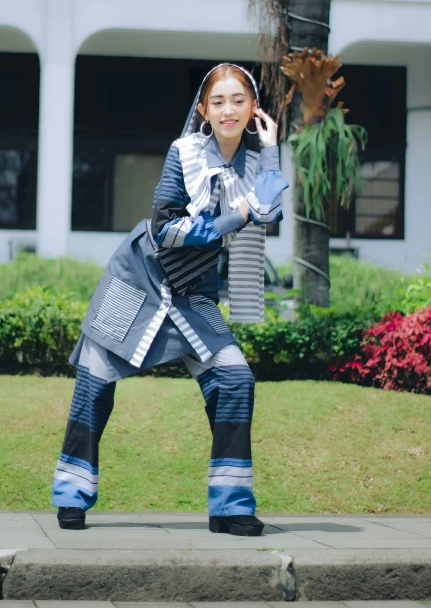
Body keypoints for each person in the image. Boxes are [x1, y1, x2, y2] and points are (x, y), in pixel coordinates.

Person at [52, 63, 289, 536]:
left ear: (253, 108)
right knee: (94, 382)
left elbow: (272, 208)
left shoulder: (258, 159)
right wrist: (236, 215)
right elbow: (167, 228)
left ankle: (230, 507)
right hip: (137, 278)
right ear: (203, 108)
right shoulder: (184, 152)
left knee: (236, 379)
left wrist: (272, 149)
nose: (228, 110)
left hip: (194, 292)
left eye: (238, 100)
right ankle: (71, 496)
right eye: (217, 101)